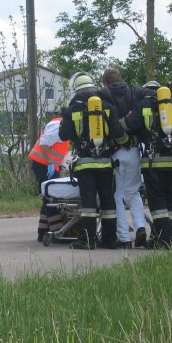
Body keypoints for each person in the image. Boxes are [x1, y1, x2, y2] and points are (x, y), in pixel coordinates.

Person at [59, 73, 130, 249]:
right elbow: (119, 135)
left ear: (75, 89)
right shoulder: (107, 107)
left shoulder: (72, 109)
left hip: (84, 164)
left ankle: (88, 240)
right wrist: (130, 143)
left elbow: (63, 135)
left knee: (89, 201)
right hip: (106, 162)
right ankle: (109, 240)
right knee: (108, 200)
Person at [122, 85, 172, 249]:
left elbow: (128, 124)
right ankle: (166, 236)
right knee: (171, 199)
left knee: (157, 201)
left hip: (154, 163)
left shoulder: (142, 105)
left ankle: (162, 240)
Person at [97, 69, 151, 247]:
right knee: (133, 192)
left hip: (115, 151)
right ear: (120, 79)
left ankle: (124, 237)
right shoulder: (133, 91)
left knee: (117, 194)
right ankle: (141, 227)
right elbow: (150, 93)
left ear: (105, 82)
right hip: (134, 150)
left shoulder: (104, 94)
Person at [29, 115, 70, 242]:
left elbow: (57, 148)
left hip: (44, 165)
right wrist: (50, 162)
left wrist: (60, 164)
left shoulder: (59, 124)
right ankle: (56, 232)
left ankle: (43, 232)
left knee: (48, 197)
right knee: (51, 198)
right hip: (44, 165)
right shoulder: (61, 128)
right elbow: (44, 142)